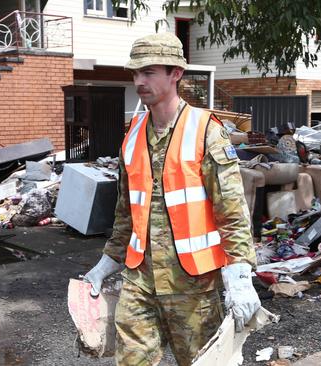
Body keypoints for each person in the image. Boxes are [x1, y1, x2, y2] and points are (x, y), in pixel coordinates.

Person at [84, 32, 259, 366]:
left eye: (148, 72)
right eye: (135, 73)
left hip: (192, 285)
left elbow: (232, 211)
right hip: (140, 281)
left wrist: (239, 277)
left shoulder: (206, 130)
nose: (139, 81)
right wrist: (107, 264)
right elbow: (126, 213)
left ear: (175, 73)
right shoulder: (133, 134)